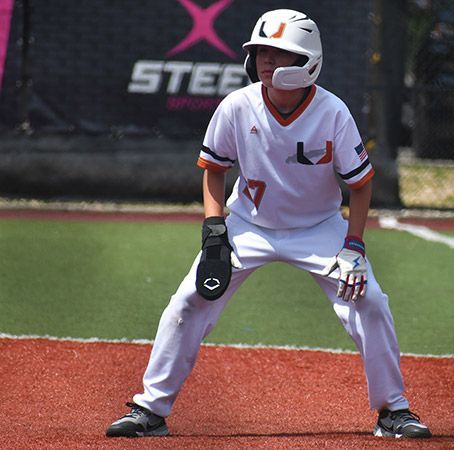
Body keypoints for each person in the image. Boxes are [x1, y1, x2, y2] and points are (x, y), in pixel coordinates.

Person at [106, 9, 431, 439]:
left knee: (370, 300)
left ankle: (394, 411)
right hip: (248, 225)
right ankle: (149, 409)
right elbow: (214, 170)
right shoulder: (237, 106)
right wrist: (214, 229)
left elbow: (361, 185)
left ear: (308, 63)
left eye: (279, 54)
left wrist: (354, 244)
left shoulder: (333, 111)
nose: (266, 61)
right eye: (261, 52)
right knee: (187, 301)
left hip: (320, 229)